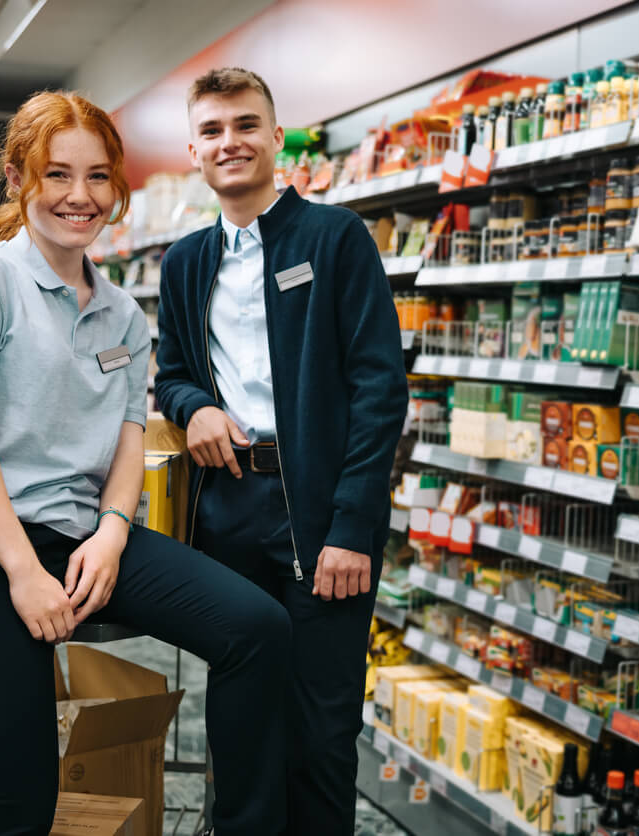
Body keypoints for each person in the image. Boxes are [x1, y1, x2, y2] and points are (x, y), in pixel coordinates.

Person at [0, 90, 291, 836]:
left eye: (97, 177)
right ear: (18, 179)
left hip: (84, 538)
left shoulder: (122, 313)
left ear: (117, 185)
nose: (79, 197)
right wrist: (22, 571)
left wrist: (113, 530)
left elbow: (125, 437)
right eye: (56, 175)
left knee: (257, 627)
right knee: (18, 806)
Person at [155, 68, 408, 834]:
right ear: (193, 150)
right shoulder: (184, 261)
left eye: (243, 124)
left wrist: (351, 527)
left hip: (319, 515)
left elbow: (377, 387)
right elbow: (169, 374)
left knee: (322, 725)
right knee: (239, 713)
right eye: (211, 130)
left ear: (273, 136)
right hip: (228, 507)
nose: (228, 142)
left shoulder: (334, 238)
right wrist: (193, 405)